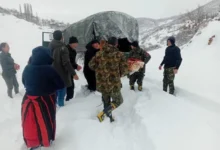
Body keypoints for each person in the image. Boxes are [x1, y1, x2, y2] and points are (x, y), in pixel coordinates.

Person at [22, 46, 64, 150]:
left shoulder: (27, 67)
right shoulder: (49, 69)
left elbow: (24, 82)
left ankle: (33, 141)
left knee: (30, 120)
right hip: (45, 100)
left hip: (28, 99)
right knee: (45, 120)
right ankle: (45, 140)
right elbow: (60, 85)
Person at [89, 37, 128, 122]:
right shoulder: (119, 54)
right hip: (114, 84)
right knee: (118, 101)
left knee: (106, 101)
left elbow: (91, 65)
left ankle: (108, 118)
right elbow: (125, 70)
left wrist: (100, 70)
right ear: (116, 44)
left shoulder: (99, 53)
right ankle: (105, 113)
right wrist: (120, 73)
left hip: (102, 83)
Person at [49, 30, 79, 107]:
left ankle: (54, 108)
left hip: (52, 73)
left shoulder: (49, 46)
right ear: (62, 37)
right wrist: (74, 74)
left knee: (54, 92)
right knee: (62, 93)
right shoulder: (63, 48)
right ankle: (62, 111)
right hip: (61, 74)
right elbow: (66, 62)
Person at [66, 36, 82, 101]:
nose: (77, 45)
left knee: (70, 85)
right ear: (71, 43)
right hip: (66, 70)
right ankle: (69, 100)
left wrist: (76, 66)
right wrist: (75, 67)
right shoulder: (66, 50)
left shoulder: (74, 51)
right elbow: (67, 62)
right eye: (76, 43)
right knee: (70, 85)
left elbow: (72, 62)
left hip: (70, 70)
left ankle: (69, 99)